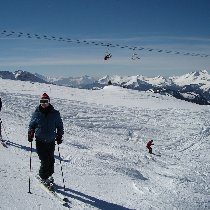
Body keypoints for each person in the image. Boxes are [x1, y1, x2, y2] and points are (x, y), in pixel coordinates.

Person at [28, 93, 64, 186]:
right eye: (42, 101)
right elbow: (32, 125)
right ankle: (43, 177)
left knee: (51, 160)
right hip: (40, 141)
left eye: (45, 101)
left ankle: (49, 175)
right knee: (44, 160)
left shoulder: (55, 114)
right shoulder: (36, 113)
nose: (43, 104)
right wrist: (31, 132)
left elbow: (60, 125)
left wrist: (60, 135)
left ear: (49, 102)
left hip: (51, 141)